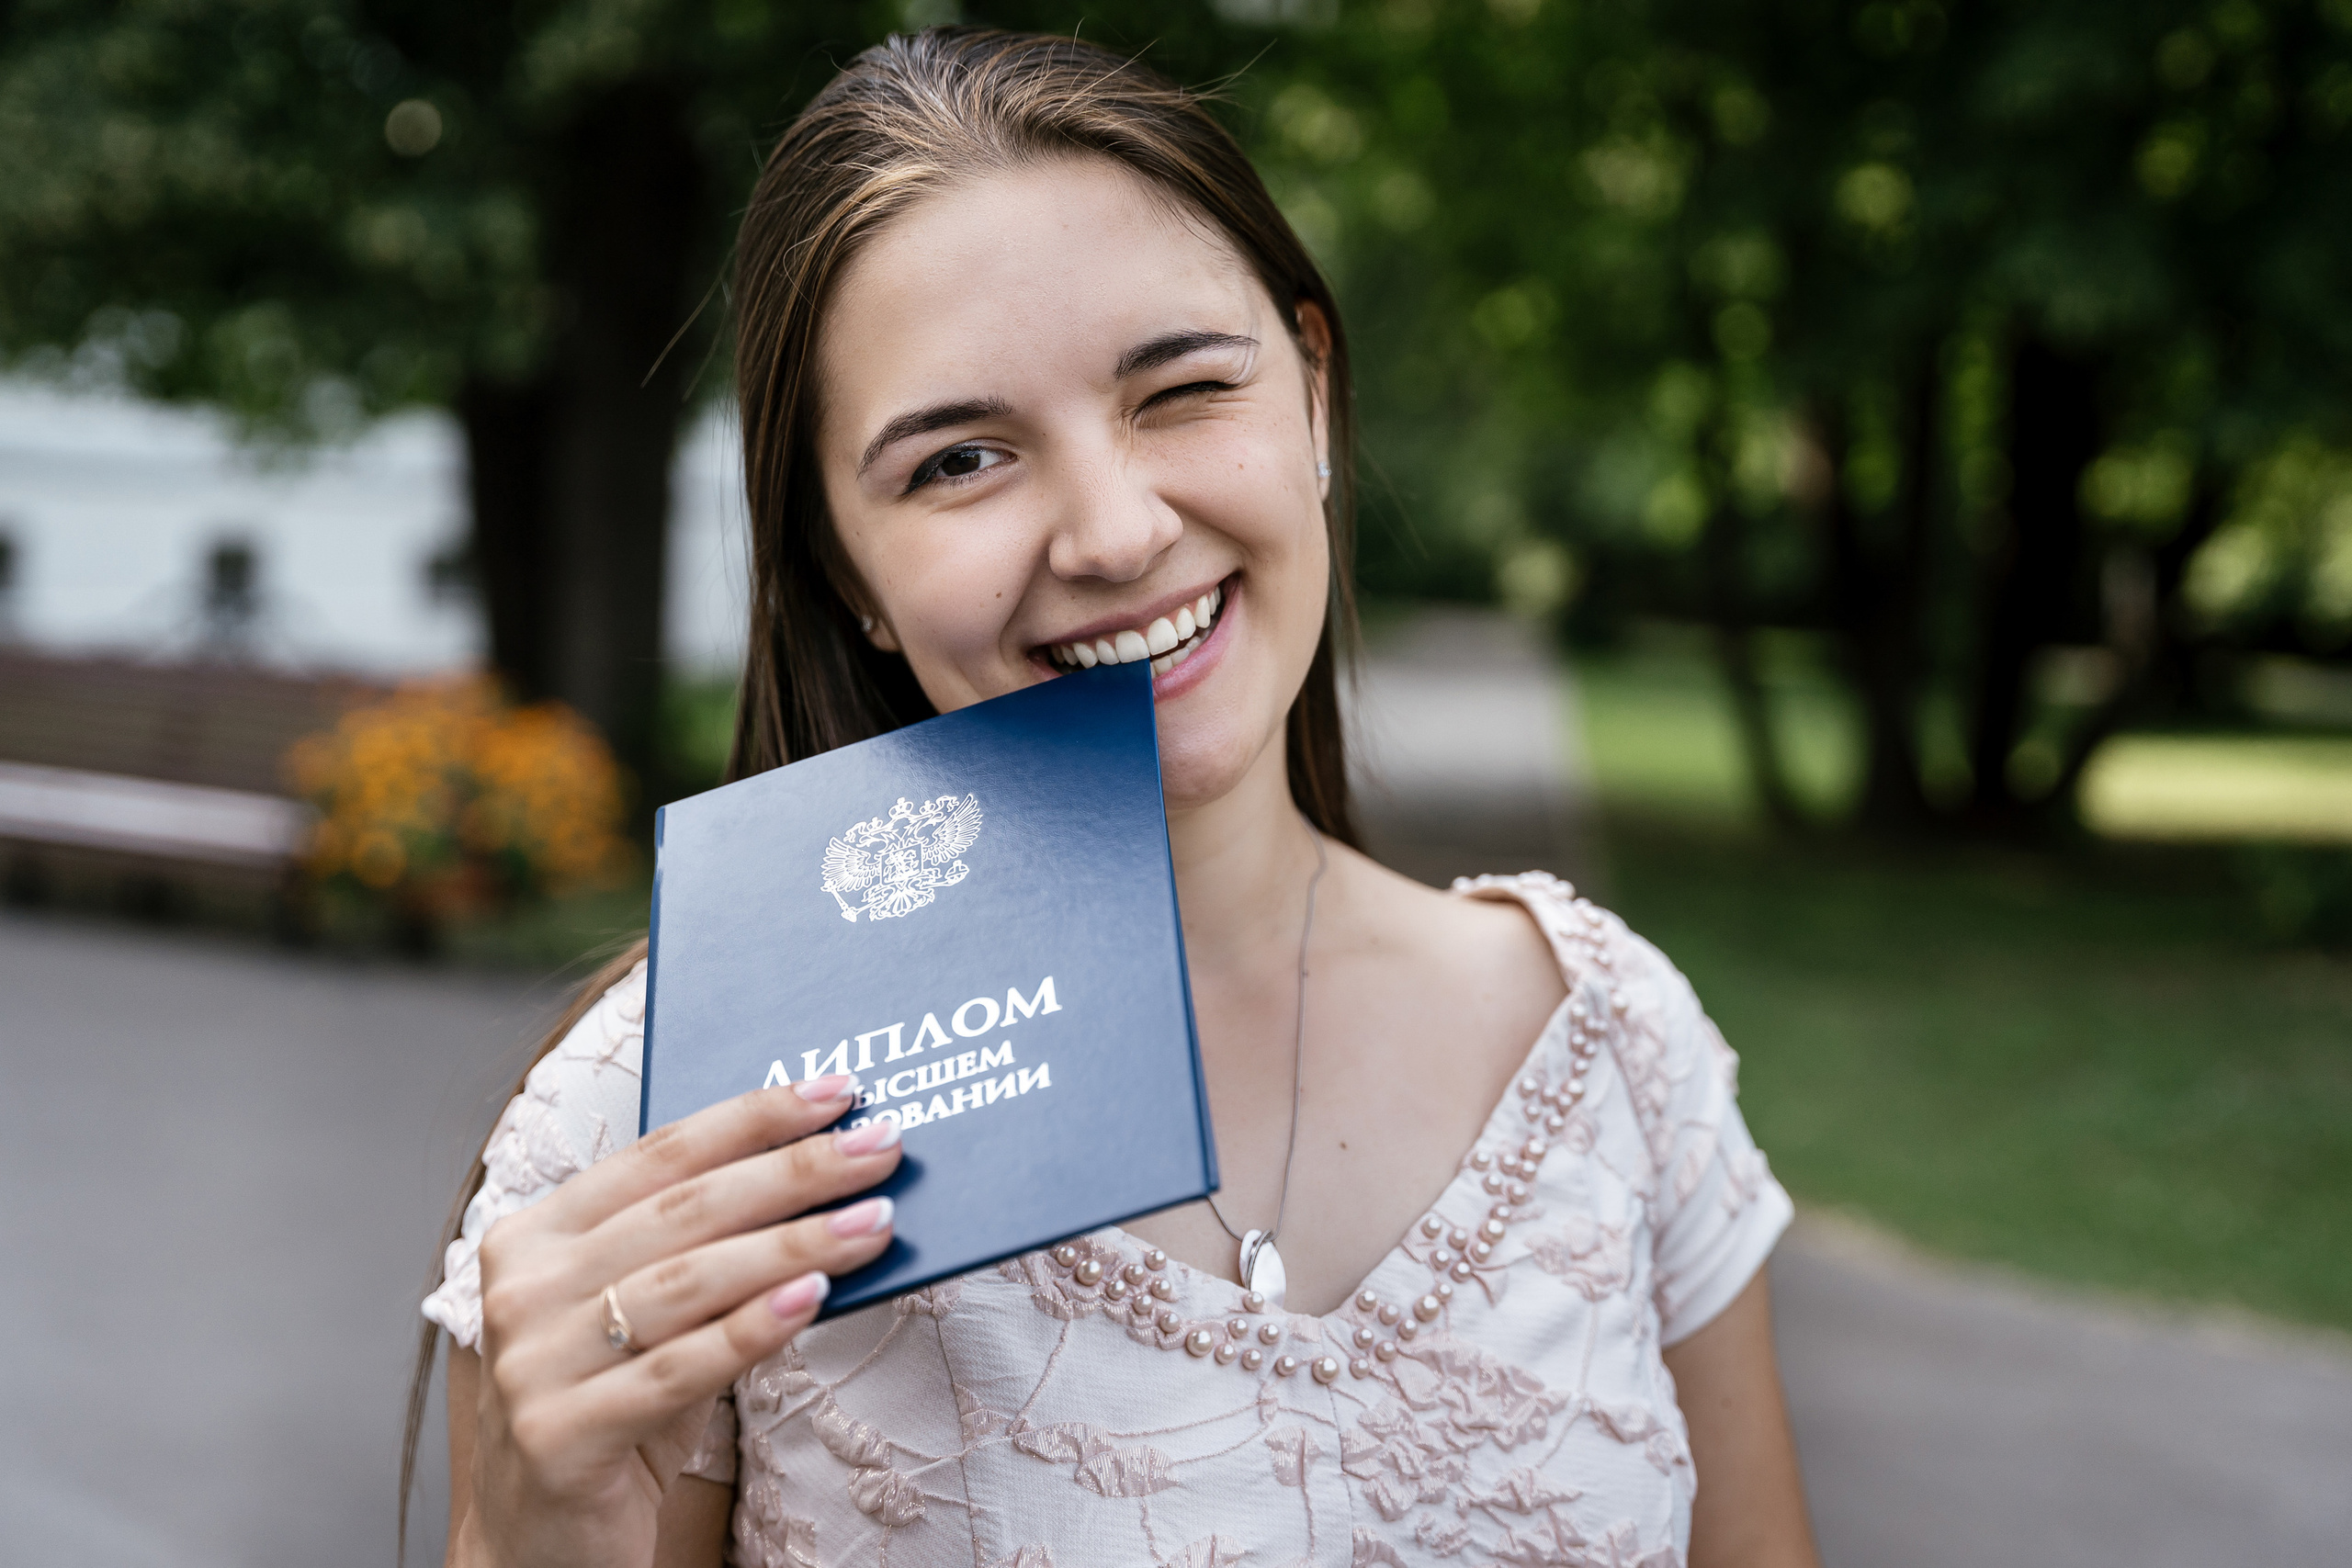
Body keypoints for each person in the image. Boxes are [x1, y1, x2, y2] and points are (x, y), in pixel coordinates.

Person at [412, 28, 1819, 1568]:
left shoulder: (1611, 1043)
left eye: (1181, 389)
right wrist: (534, 1539)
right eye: (958, 461)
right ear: (845, 575)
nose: (1112, 530)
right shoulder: (677, 1115)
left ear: (1313, 396)